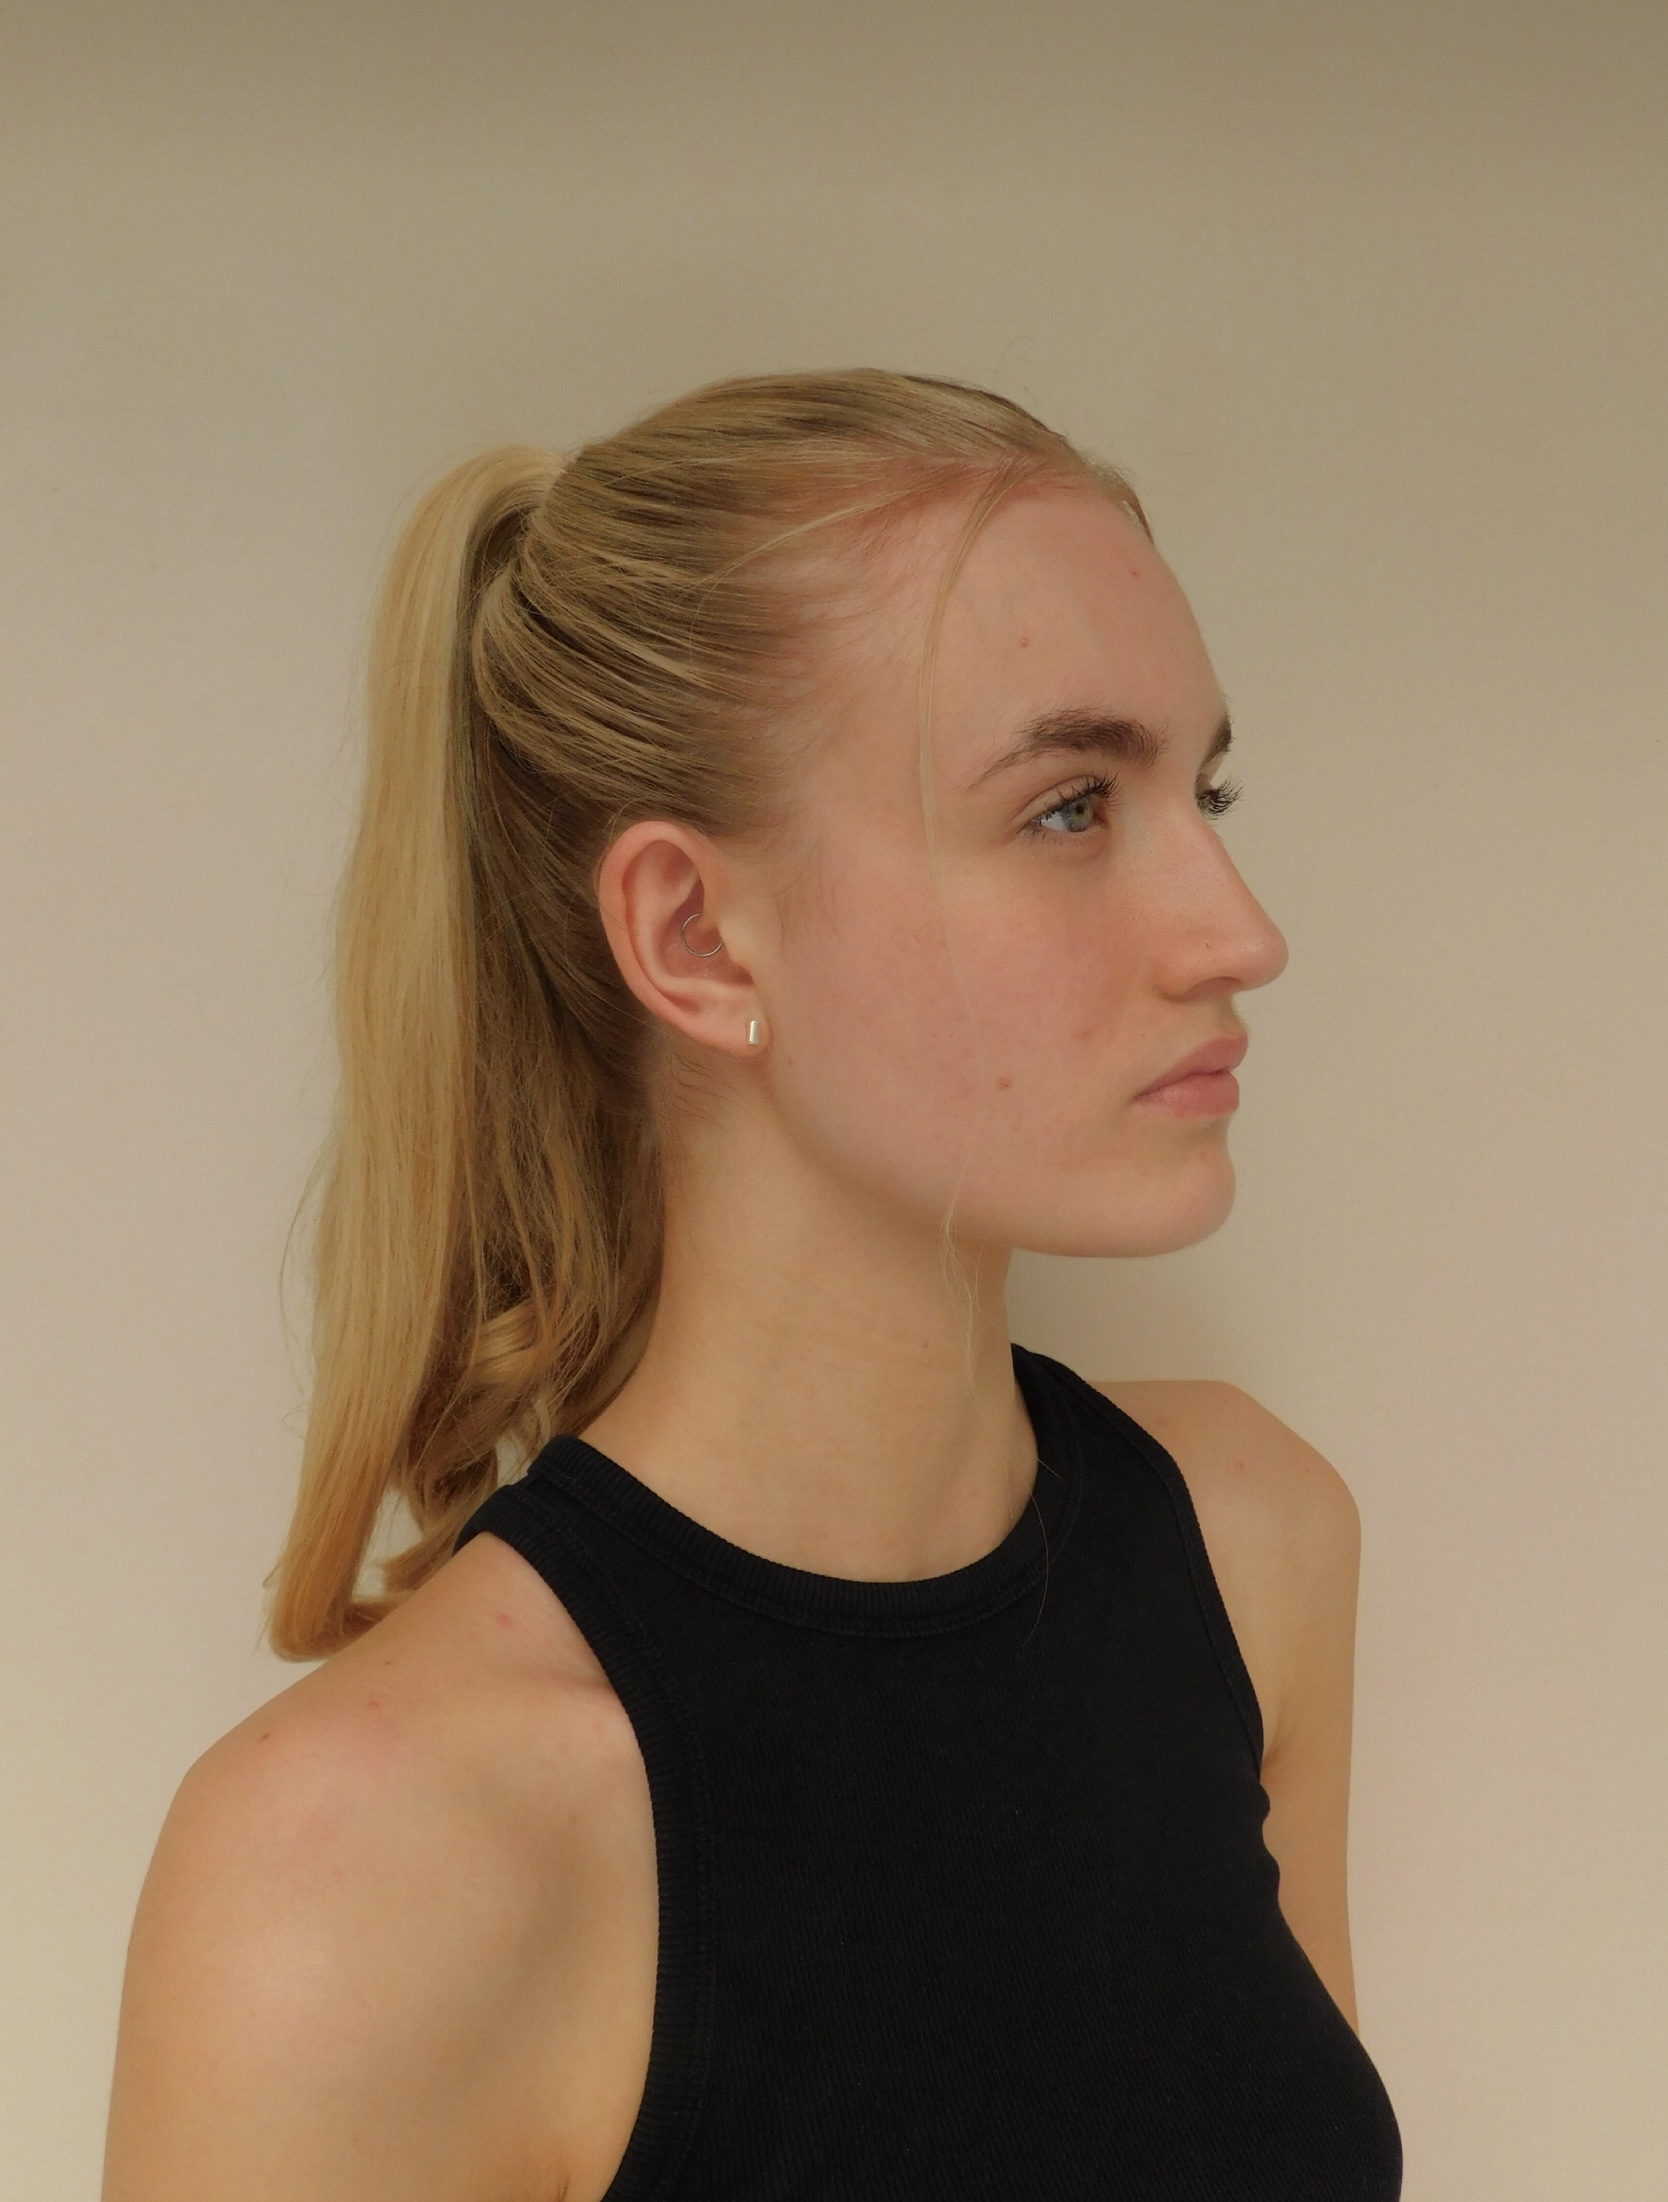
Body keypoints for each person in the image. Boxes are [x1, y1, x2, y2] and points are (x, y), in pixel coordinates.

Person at [103, 370, 1403, 2200]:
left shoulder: (1250, 1552)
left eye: (1206, 789)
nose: (1239, 929)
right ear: (696, 934)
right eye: (1068, 807)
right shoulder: (357, 1873)